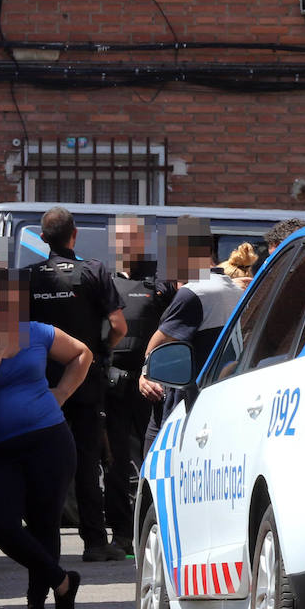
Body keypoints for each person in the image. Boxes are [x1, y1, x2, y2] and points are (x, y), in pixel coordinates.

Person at [0, 264, 93, 609]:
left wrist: (61, 392)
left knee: (45, 522)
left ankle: (37, 605)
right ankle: (62, 580)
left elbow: (82, 354)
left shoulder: (38, 332)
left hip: (48, 439)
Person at [28, 206, 127, 562]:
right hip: (84, 379)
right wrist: (100, 350)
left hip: (39, 383)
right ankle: (95, 543)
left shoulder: (28, 277)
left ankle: (40, 540)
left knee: (41, 460)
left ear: (43, 240)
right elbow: (119, 325)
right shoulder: (94, 272)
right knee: (87, 461)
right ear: (75, 235)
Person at [104, 216, 176, 556]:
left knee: (154, 460)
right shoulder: (104, 281)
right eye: (120, 238)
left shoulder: (161, 284)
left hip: (154, 383)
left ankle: (156, 530)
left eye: (132, 238)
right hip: (116, 385)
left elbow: (174, 331)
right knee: (116, 462)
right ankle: (121, 535)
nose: (126, 245)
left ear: (143, 241)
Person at [139, 218, 243, 453]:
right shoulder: (233, 289)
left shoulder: (194, 293)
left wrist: (145, 375)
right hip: (216, 402)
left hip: (182, 410)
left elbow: (157, 346)